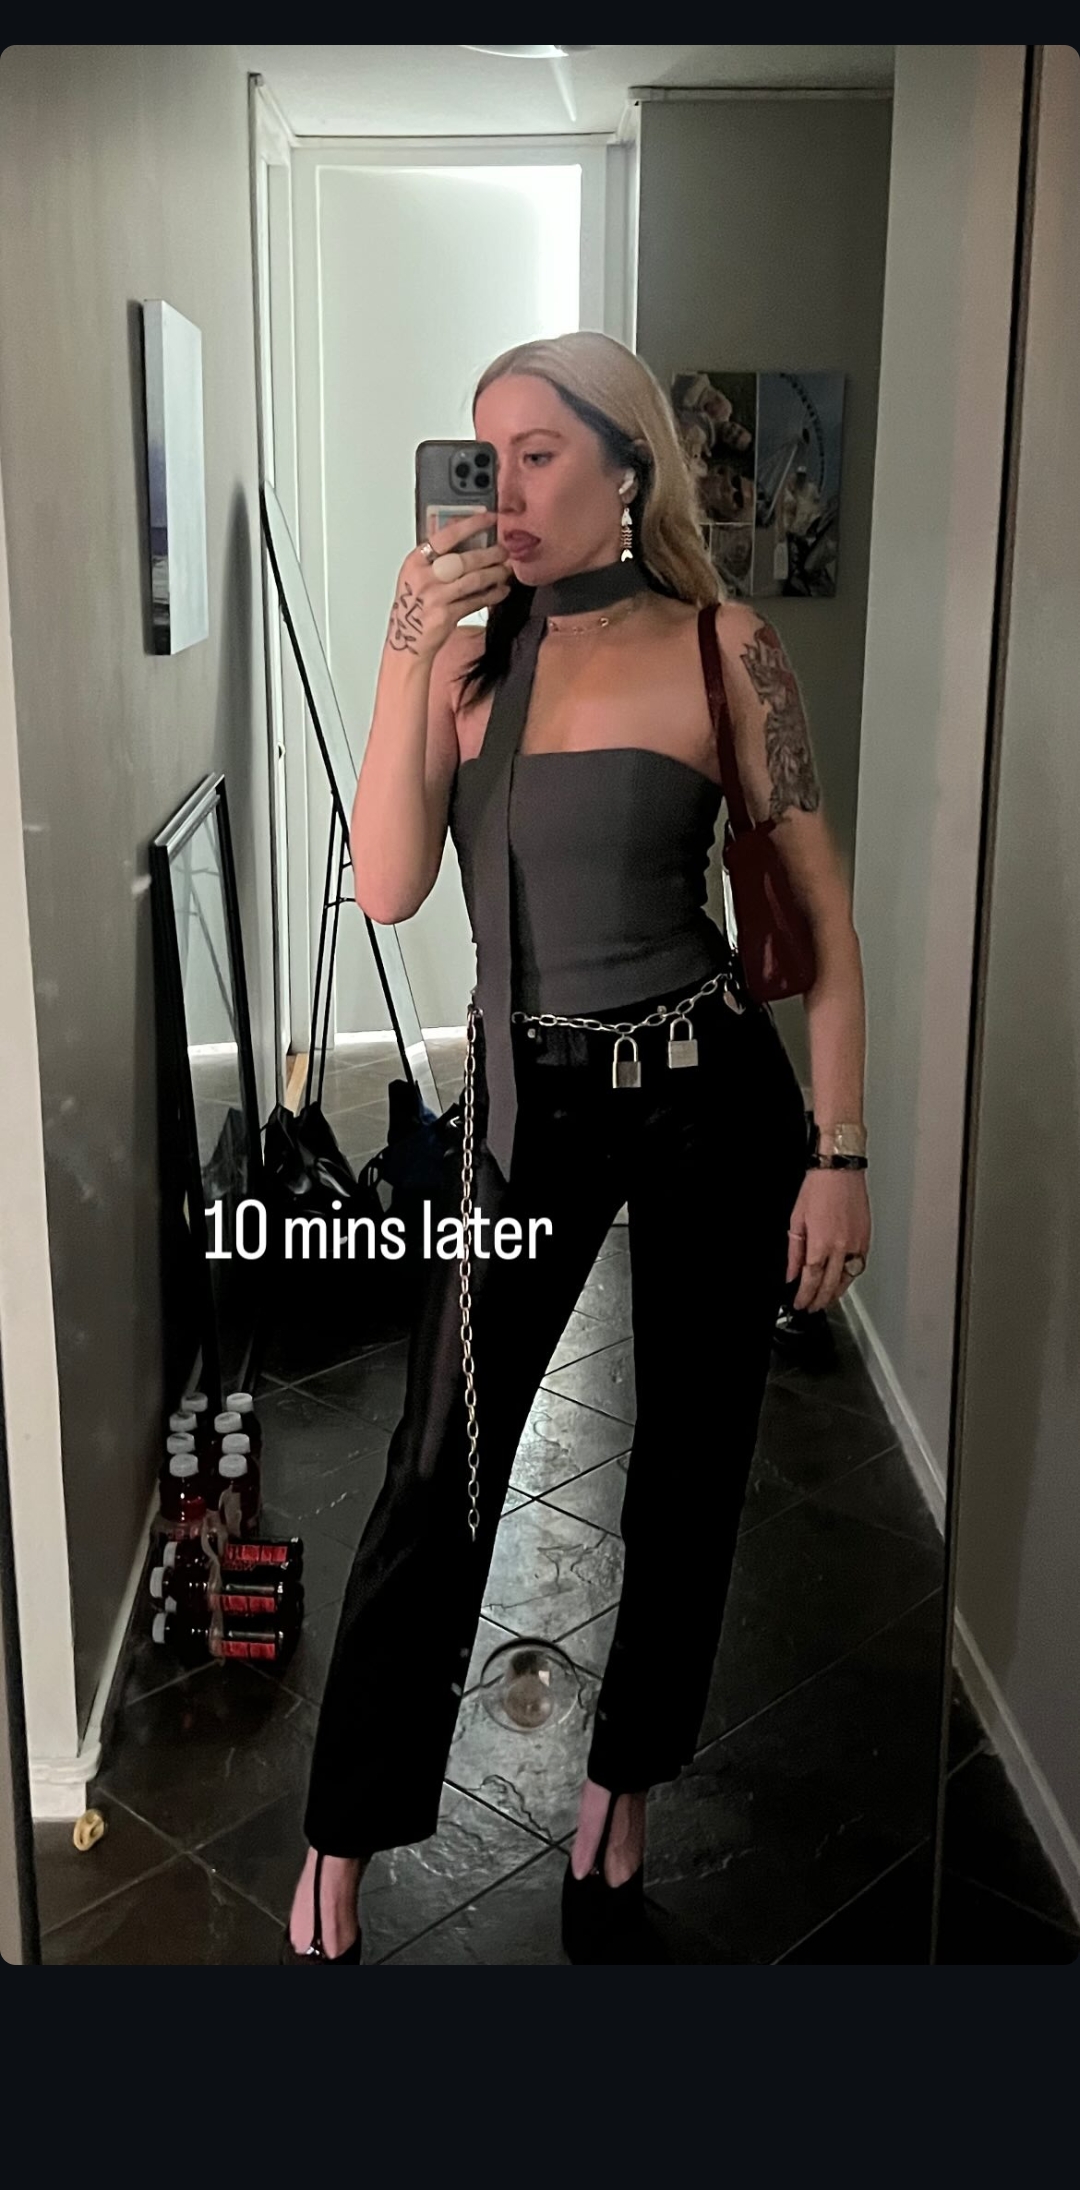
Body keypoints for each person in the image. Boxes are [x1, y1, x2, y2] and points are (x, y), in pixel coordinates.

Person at [281, 330, 871, 1965]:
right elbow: (388, 884)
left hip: (706, 1102)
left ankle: (624, 1784)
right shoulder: (474, 669)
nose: (507, 491)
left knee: (687, 1470)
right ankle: (346, 1824)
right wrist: (409, 643)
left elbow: (823, 924)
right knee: (437, 1465)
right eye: (485, 459)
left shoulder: (724, 647)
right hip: (525, 1107)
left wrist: (839, 1150)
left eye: (539, 454)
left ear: (627, 467)